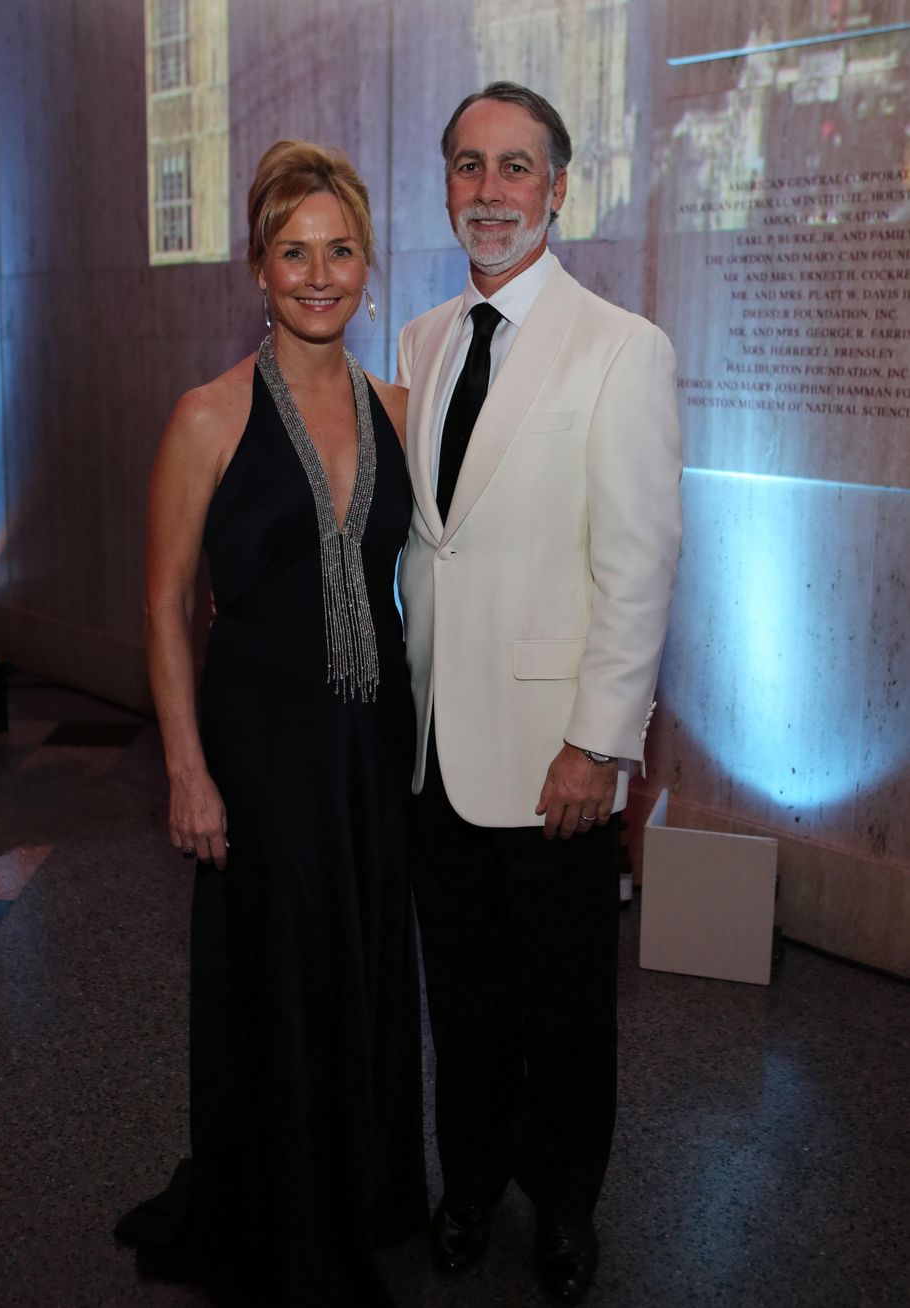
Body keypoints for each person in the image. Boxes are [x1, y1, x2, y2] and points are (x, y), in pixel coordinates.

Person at [115, 140, 427, 1307]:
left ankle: (358, 1188)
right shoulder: (205, 416)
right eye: (292, 252)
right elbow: (160, 604)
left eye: (338, 250)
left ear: (366, 265)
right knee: (278, 979)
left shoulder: (397, 407)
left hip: (367, 747)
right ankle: (283, 1219)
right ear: (256, 268)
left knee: (359, 967)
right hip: (256, 754)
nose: (316, 273)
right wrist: (185, 771)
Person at [395, 83, 683, 1303]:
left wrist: (596, 746)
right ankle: (466, 1186)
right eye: (469, 166)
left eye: (516, 168)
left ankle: (563, 1207)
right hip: (429, 751)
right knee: (459, 999)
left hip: (550, 757)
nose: (489, 191)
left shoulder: (619, 347)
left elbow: (638, 563)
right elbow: (429, 544)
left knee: (562, 1009)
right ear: (447, 184)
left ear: (557, 188)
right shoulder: (416, 338)